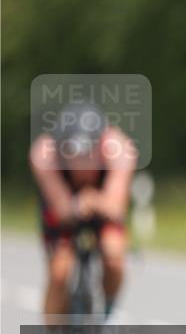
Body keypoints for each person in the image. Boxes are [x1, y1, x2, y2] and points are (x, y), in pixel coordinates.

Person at [29, 102, 137, 322]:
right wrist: (79, 205)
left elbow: (115, 208)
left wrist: (94, 201)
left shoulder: (120, 149)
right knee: (59, 272)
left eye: (87, 153)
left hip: (103, 205)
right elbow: (61, 207)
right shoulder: (44, 154)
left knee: (114, 255)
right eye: (71, 153)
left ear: (100, 146)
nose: (80, 162)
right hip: (64, 207)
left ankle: (107, 311)